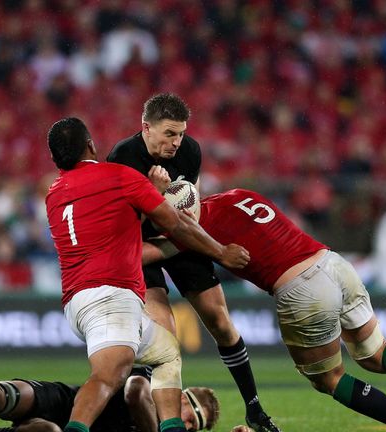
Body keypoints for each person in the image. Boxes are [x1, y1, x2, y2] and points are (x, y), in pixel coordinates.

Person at [146, 185, 386, 432]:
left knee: (329, 380)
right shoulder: (237, 195)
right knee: (376, 354)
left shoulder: (189, 231)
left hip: (300, 288)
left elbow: (152, 252)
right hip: (334, 264)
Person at [45, 117, 249, 432]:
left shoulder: (54, 194)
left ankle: (171, 427)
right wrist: (221, 253)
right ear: (91, 145)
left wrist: (148, 196)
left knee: (167, 353)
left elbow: (113, 231)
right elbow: (177, 224)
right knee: (107, 376)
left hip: (76, 303)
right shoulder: (119, 176)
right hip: (111, 296)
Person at [107, 93, 279, 432]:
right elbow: (125, 230)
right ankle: (157, 420)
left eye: (181, 133)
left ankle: (254, 408)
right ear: (146, 128)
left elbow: (190, 206)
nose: (176, 142)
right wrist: (152, 195)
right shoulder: (122, 158)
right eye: (169, 133)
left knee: (220, 321)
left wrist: (196, 236)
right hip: (142, 247)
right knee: (165, 337)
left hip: (180, 237)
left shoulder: (190, 152)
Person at [0, 364, 220, 432]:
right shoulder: (153, 382)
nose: (186, 422)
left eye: (195, 426)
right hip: (64, 401)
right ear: (181, 394)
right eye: (191, 411)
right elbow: (134, 390)